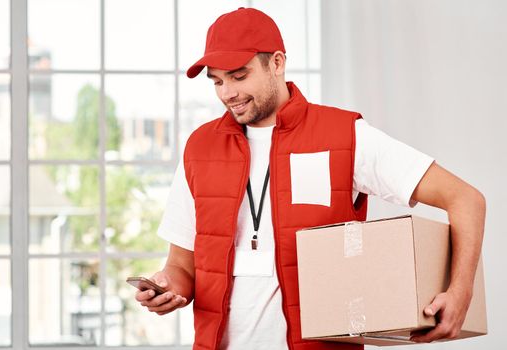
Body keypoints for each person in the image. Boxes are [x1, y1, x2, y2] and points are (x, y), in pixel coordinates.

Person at [135, 7, 486, 350]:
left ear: (276, 63)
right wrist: (167, 287)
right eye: (217, 81)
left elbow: (466, 199)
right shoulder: (200, 147)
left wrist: (460, 293)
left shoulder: (345, 135)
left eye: (239, 76)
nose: (228, 93)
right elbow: (182, 265)